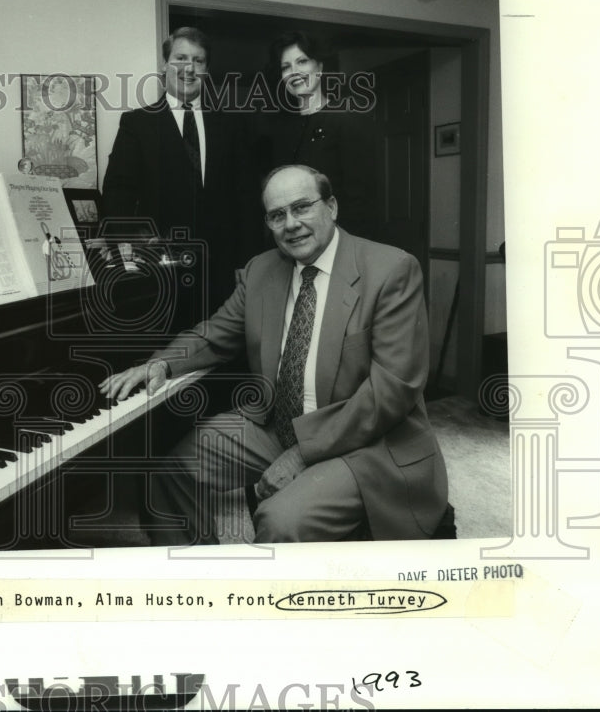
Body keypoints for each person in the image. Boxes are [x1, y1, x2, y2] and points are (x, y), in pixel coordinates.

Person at [99, 164, 448, 544]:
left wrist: (301, 455)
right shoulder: (261, 270)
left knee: (282, 520)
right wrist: (161, 362)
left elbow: (391, 391)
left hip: (364, 442)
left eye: (302, 207)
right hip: (277, 426)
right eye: (277, 215)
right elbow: (215, 334)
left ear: (331, 207)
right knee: (169, 475)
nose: (291, 224)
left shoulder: (391, 269)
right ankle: (199, 586)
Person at [100, 26, 262, 307]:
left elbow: (246, 199)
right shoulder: (137, 124)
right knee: (166, 350)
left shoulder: (231, 126)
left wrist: (247, 263)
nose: (189, 68)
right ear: (165, 64)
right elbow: (118, 192)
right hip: (158, 274)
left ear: (206, 69)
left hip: (221, 275)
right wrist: (133, 248)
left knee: (222, 347)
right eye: (181, 58)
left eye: (198, 61)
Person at [257, 31, 379, 241]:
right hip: (289, 245)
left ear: (320, 67)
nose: (294, 72)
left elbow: (360, 201)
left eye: (302, 61)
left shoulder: (345, 121)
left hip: (337, 245)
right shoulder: (277, 130)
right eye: (286, 67)